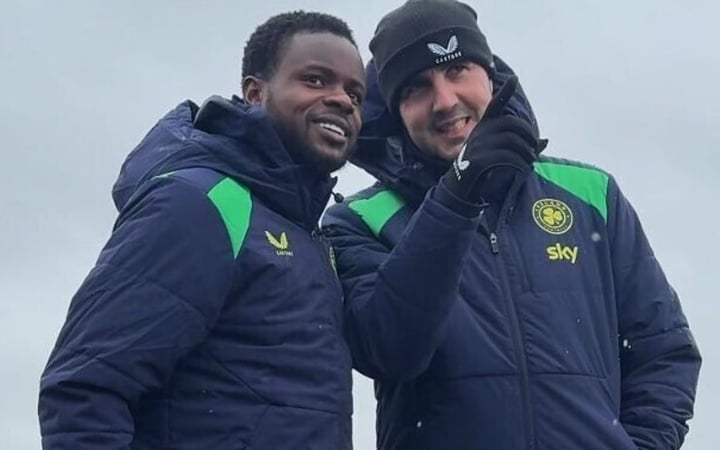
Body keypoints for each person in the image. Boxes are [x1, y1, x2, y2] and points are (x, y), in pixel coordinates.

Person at [322, 1, 702, 448]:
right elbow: (390, 351)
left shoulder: (591, 193)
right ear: (395, 113)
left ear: (491, 75)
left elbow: (662, 350)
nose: (445, 101)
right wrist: (457, 195)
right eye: (417, 88)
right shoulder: (358, 221)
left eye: (458, 69)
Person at [38, 11, 366, 449]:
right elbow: (84, 389)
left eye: (355, 93)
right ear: (254, 93)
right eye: (315, 80)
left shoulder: (307, 234)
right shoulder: (199, 204)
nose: (342, 100)